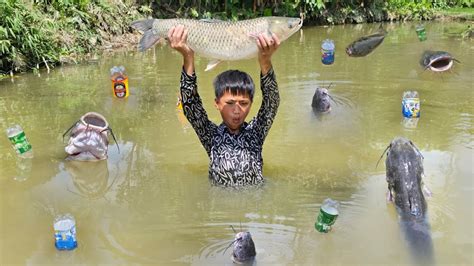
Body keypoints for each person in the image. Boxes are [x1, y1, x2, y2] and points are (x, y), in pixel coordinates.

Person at [168, 25, 280, 187]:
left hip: (253, 208)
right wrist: (188, 56)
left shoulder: (256, 133)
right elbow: (190, 103)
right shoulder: (211, 136)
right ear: (217, 104)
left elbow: (272, 101)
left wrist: (265, 61)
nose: (237, 110)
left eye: (243, 103)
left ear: (250, 105)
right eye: (229, 103)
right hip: (220, 211)